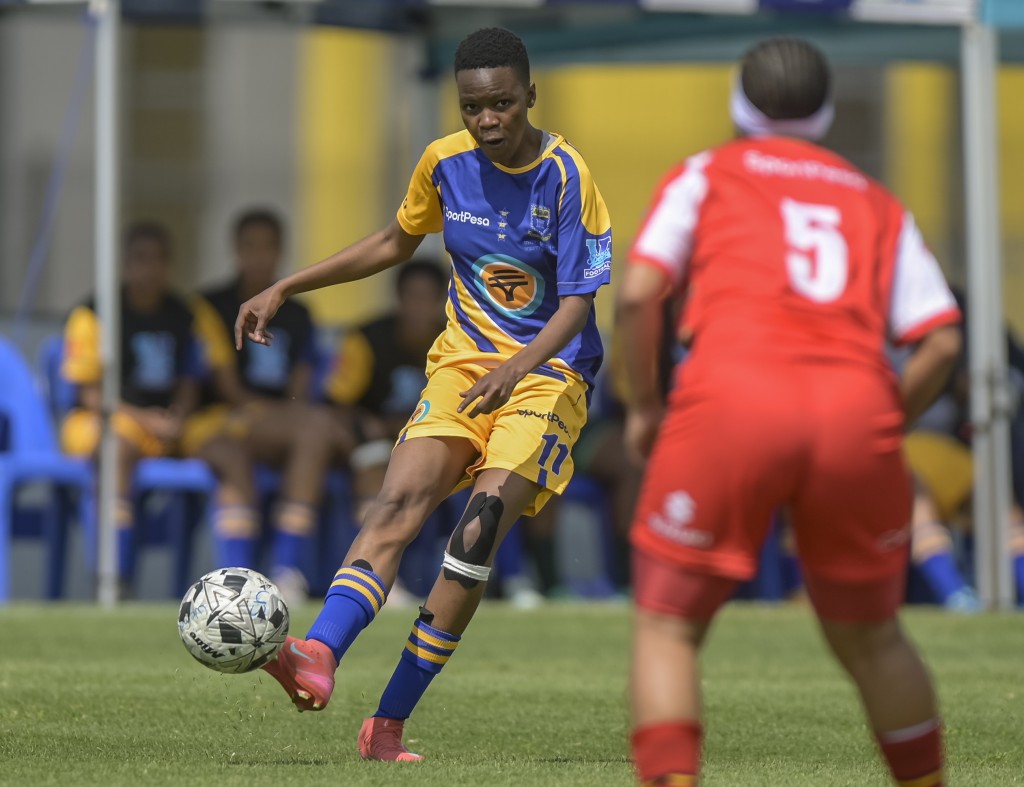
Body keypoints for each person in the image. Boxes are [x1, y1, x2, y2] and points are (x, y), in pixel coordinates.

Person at [235, 27, 611, 761]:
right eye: (474, 107)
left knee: (473, 538)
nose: (488, 119)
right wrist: (286, 284)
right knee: (399, 502)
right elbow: (392, 241)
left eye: (503, 103)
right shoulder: (443, 163)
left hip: (550, 374)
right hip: (462, 369)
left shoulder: (567, 176)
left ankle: (389, 721)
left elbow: (577, 303)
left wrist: (517, 365)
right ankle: (318, 653)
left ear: (530, 96)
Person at [617, 39, 961, 786]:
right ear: (826, 113)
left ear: (739, 108)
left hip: (732, 398)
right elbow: (941, 338)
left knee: (669, 624)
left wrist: (645, 405)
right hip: (854, 410)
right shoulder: (875, 200)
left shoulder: (708, 174)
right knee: (872, 636)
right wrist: (883, 422)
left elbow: (640, 291)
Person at [60, 222, 257, 598]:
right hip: (112, 417)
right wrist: (146, 419)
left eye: (160, 260)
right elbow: (90, 392)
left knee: (232, 451)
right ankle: (114, 579)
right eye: (141, 259)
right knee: (115, 447)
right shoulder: (93, 312)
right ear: (125, 263)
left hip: (173, 423)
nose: (151, 269)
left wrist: (180, 414)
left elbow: (194, 374)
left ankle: (238, 586)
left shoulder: (187, 313)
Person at [192, 208, 351, 602]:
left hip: (279, 426)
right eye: (250, 246)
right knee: (317, 428)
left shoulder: (298, 314)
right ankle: (266, 572)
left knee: (313, 430)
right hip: (224, 419)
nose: (259, 256)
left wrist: (287, 414)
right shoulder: (211, 305)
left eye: (268, 247)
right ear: (236, 250)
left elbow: (299, 390)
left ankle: (285, 573)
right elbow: (225, 385)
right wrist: (280, 413)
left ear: (280, 251)